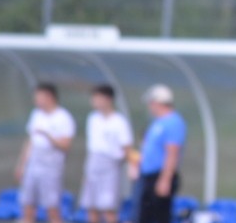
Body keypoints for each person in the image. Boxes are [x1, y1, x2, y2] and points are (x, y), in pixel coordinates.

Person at [15, 82, 76, 223]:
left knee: (52, 207)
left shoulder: (63, 117)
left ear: (49, 97)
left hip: (51, 168)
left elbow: (66, 145)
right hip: (33, 165)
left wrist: (47, 136)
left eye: (39, 97)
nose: (36, 100)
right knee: (27, 203)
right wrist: (22, 165)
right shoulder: (36, 114)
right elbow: (30, 141)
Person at [80, 84, 134, 223]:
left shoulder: (119, 121)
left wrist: (131, 166)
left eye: (98, 98)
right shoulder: (92, 118)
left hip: (111, 167)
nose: (95, 102)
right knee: (91, 206)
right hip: (93, 164)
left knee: (109, 207)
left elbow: (127, 147)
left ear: (108, 99)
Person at [135, 84, 186, 223]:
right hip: (148, 176)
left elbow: (172, 153)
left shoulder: (173, 122)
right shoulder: (157, 122)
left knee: (159, 217)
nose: (150, 107)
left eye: (151, 103)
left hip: (160, 176)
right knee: (145, 217)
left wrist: (165, 179)